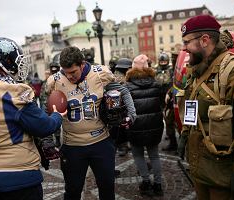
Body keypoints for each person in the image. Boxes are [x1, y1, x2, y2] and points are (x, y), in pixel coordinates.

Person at [0, 37, 66, 200]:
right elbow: (44, 126)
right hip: (19, 176)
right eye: (14, 60)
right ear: (5, 60)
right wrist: (58, 115)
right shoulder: (12, 91)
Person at [178, 15, 234, 200]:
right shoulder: (196, 71)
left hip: (224, 176)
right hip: (200, 169)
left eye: (187, 42)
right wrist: (184, 134)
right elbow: (192, 106)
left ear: (205, 40)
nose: (183, 48)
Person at [53, 46, 135, 200]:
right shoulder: (55, 81)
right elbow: (48, 110)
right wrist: (47, 139)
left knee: (107, 188)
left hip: (101, 142)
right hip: (72, 145)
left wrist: (132, 114)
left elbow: (123, 91)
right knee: (72, 191)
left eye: (73, 72)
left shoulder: (99, 74)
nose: (69, 77)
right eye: (65, 72)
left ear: (82, 64)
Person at [124, 54, 165, 197]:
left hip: (136, 126)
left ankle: (146, 181)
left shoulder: (127, 86)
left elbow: (125, 108)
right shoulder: (156, 84)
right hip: (154, 124)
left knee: (138, 154)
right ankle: (158, 185)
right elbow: (162, 104)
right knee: (154, 155)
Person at [155, 52, 178, 151]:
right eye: (161, 61)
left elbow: (175, 84)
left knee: (169, 121)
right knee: (163, 121)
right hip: (159, 99)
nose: (163, 63)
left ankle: (173, 143)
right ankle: (170, 137)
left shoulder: (171, 71)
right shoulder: (156, 71)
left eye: (165, 61)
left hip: (169, 100)